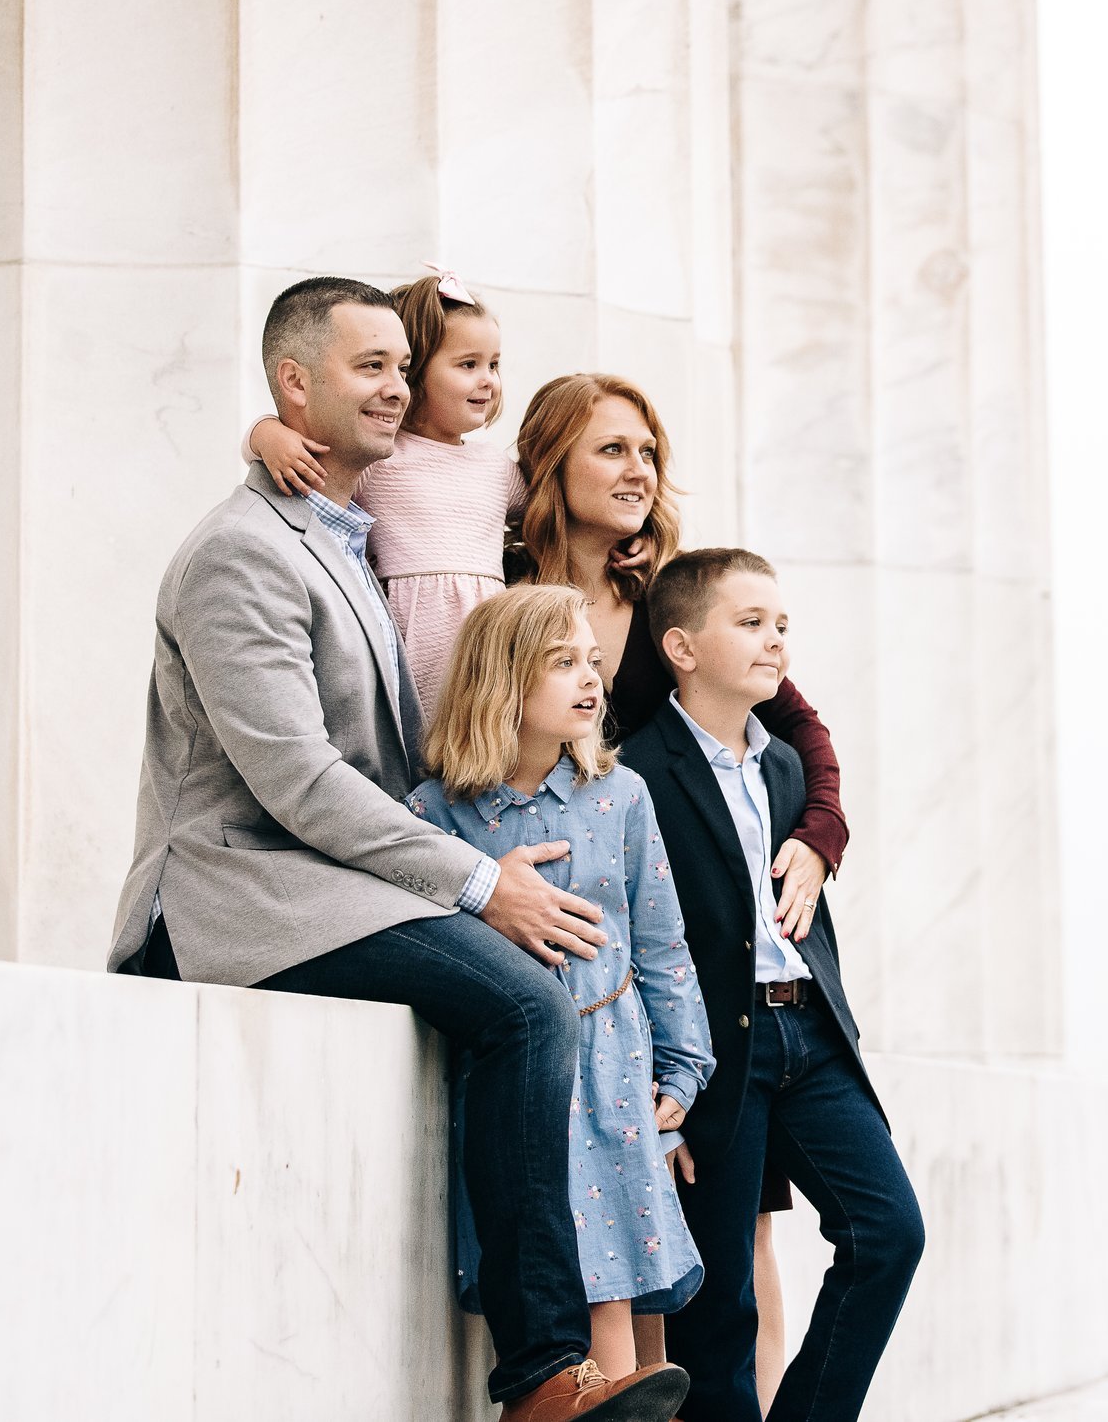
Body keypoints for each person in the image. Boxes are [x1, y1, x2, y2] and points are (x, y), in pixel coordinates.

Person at [106, 278, 687, 1422]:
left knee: (535, 990)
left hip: (331, 882)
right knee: (524, 1000)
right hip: (239, 889)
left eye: (397, 364)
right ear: (293, 386)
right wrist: (478, 881)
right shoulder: (241, 552)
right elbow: (294, 778)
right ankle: (541, 1380)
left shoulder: (345, 531)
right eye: (367, 364)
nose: (396, 383)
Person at [506, 374, 846, 1385]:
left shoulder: (669, 602)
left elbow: (801, 728)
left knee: (739, 1233)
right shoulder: (503, 587)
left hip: (693, 959)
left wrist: (818, 836)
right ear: (550, 465)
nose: (638, 469)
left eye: (647, 450)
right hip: (573, 942)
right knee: (645, 1219)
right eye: (611, 449)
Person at [618, 548, 922, 1422]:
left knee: (889, 1233)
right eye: (750, 623)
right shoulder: (635, 773)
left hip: (811, 1037)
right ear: (680, 646)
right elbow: (628, 943)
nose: (775, 641)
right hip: (714, 1049)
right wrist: (659, 1086)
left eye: (782, 624)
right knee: (718, 1309)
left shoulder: (787, 767)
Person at [407, 584, 716, 1376]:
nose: (590, 679)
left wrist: (682, 1071)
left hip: (612, 1071)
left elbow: (662, 946)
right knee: (538, 1274)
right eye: (562, 663)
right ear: (502, 680)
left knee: (612, 1284)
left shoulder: (620, 797)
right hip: (510, 1078)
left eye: (593, 661)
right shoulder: (436, 814)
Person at [244, 267, 522, 727]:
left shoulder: (497, 468)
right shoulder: (380, 458)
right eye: (467, 364)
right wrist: (267, 433)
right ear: (419, 376)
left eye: (493, 364)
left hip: (488, 643)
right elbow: (300, 462)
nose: (488, 380)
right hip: (411, 637)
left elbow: (554, 513)